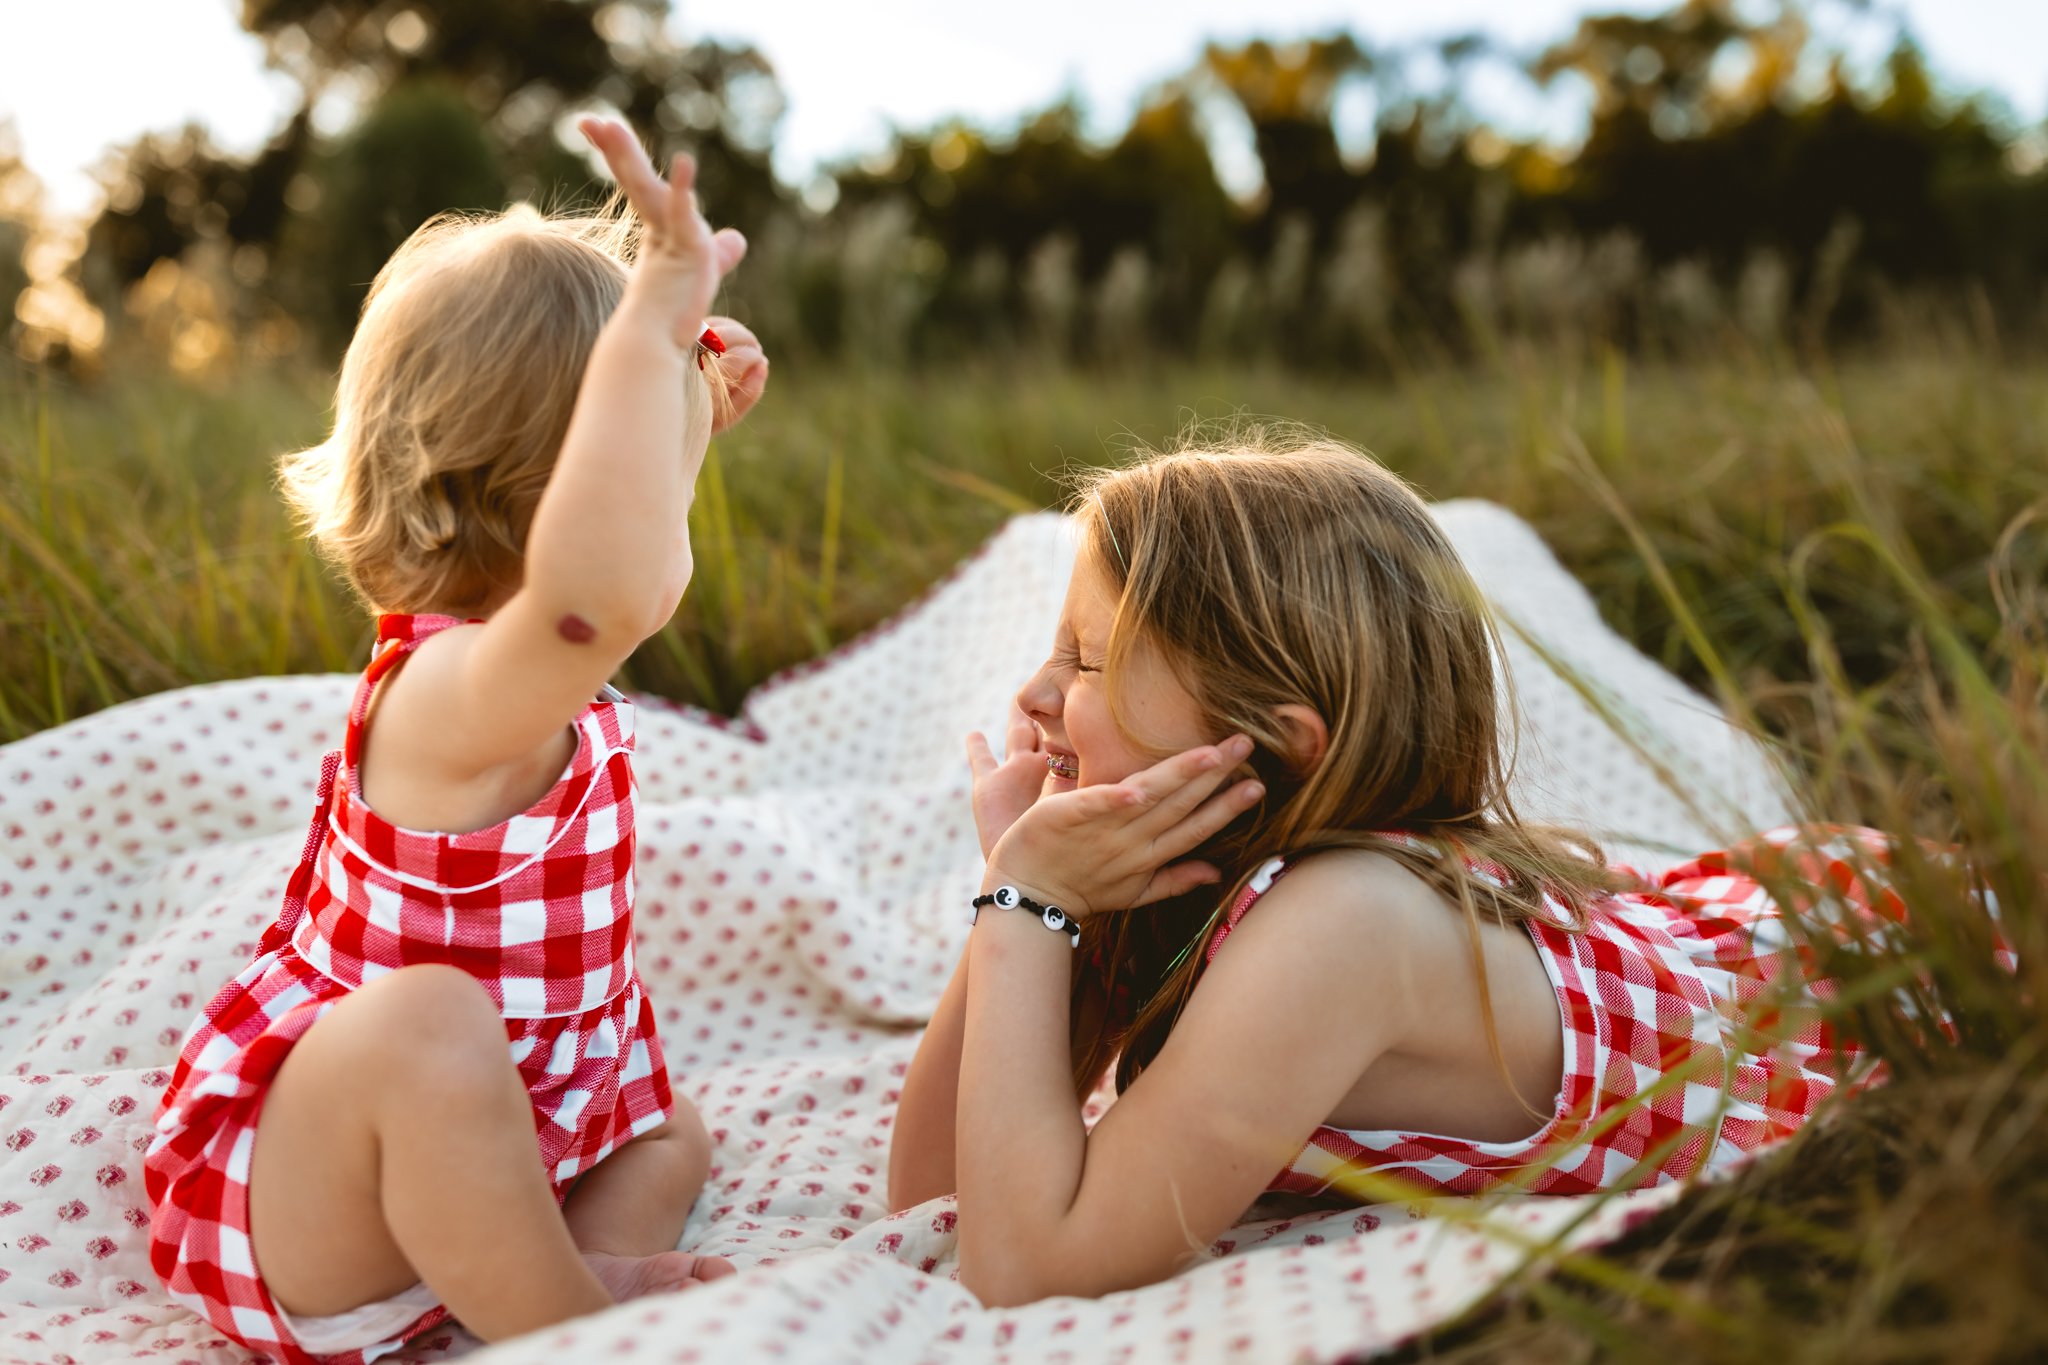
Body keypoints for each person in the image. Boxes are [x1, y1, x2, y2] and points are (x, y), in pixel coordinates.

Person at [888, 433, 1870, 1307]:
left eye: (1086, 661)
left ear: (1269, 741)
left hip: (1849, 972)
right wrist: (1014, 893)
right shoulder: (1169, 884)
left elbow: (1028, 1269)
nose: (1034, 693)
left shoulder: (1347, 921)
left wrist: (1026, 903)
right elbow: (933, 1196)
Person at [144, 118, 768, 1364]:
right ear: (551, 502)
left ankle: (536, 1265)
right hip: (321, 1200)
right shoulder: (447, 692)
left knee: (669, 1128)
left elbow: (617, 554)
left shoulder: (539, 665)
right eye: (659, 462)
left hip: (503, 1136)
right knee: (425, 1021)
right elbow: (608, 585)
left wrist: (678, 393)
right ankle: (570, 1324)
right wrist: (648, 338)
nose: (673, 495)